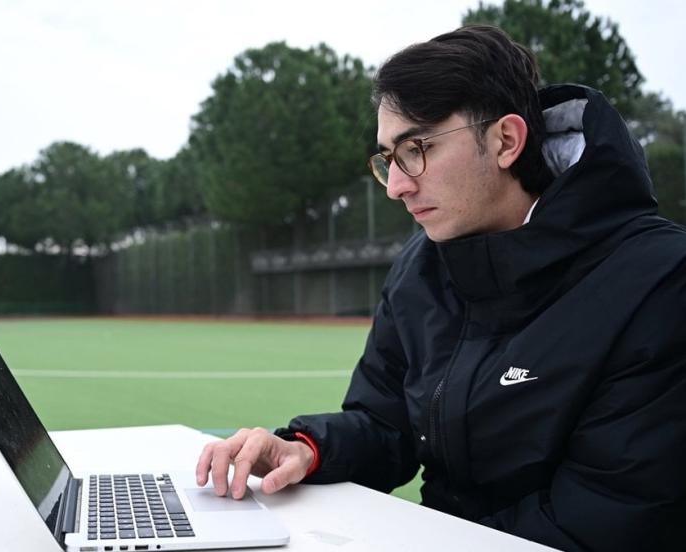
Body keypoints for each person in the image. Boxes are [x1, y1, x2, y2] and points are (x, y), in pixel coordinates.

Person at [196, 25, 686, 551]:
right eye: (389, 158)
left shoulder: (660, 280)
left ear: (505, 141)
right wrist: (307, 450)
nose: (397, 186)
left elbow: (607, 518)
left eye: (417, 148)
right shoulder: (421, 267)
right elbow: (386, 425)